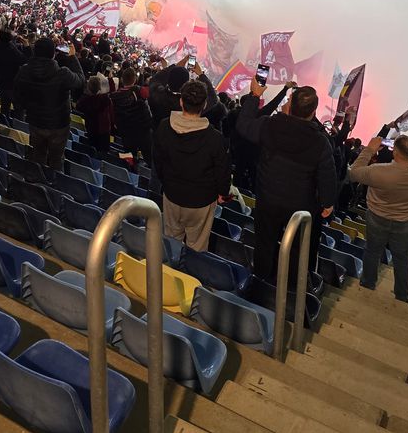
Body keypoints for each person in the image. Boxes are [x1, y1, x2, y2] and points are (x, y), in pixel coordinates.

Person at [238, 81, 339, 282]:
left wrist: (254, 96)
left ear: (290, 105)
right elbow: (327, 174)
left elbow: (243, 125)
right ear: (314, 112)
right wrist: (328, 202)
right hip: (299, 208)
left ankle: (261, 284)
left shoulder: (271, 124)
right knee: (295, 250)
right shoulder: (320, 142)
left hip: (268, 199)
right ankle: (290, 291)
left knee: (264, 244)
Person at [349, 121, 408, 303]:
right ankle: (402, 294)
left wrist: (370, 150)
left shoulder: (378, 171)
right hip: (405, 222)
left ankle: (368, 283)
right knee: (402, 258)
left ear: (394, 152)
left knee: (372, 251)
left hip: (377, 217)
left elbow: (354, 172)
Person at [152, 80, 231, 252]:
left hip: (172, 195)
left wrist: (166, 182)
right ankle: (189, 277)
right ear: (204, 105)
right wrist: (223, 193)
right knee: (197, 247)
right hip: (201, 202)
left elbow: (157, 161)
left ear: (181, 101)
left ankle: (169, 275)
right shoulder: (215, 138)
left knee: (171, 241)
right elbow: (222, 172)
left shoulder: (165, 126)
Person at [13, 38, 84, 171]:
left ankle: (37, 183)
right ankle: (53, 186)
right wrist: (73, 57)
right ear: (53, 54)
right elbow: (80, 80)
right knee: (56, 159)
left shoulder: (24, 71)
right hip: (58, 126)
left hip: (35, 121)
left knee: (37, 155)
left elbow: (17, 97)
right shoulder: (63, 73)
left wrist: (27, 109)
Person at [111, 66, 153, 161]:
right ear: (135, 80)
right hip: (142, 131)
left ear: (122, 79)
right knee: (148, 156)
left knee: (129, 156)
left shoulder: (114, 96)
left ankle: (130, 170)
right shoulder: (140, 91)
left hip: (125, 131)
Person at [0, 29, 27, 122]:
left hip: (1, 80)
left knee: (5, 106)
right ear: (10, 39)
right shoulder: (12, 50)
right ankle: (17, 128)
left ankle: (4, 125)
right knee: (18, 108)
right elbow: (24, 60)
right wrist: (27, 46)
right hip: (14, 83)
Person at [76, 74, 115, 157]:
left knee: (92, 151)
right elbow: (112, 116)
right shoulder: (105, 100)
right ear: (100, 88)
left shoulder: (85, 101)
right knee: (103, 154)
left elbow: (78, 106)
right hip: (103, 132)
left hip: (91, 129)